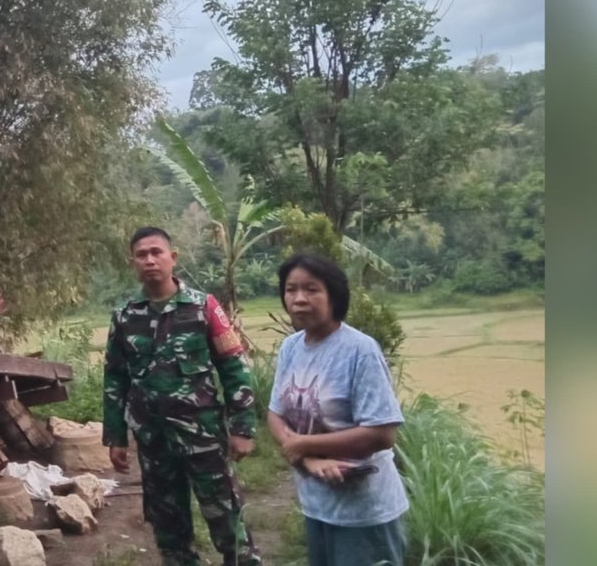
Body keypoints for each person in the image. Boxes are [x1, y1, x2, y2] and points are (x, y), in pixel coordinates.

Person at [102, 227, 262, 566]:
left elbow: (233, 366)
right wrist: (115, 436)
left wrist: (242, 427)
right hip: (153, 440)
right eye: (141, 255)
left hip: (202, 435)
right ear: (133, 262)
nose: (150, 260)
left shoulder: (204, 307)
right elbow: (115, 377)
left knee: (226, 518)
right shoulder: (125, 316)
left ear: (172, 258)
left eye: (156, 252)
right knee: (169, 529)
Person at [267, 253, 409, 566]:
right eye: (291, 290)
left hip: (364, 511)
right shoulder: (291, 347)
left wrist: (303, 444)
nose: (299, 299)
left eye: (311, 289)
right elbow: (275, 413)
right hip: (316, 504)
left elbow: (381, 434)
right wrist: (308, 458)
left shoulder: (360, 350)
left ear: (334, 295)